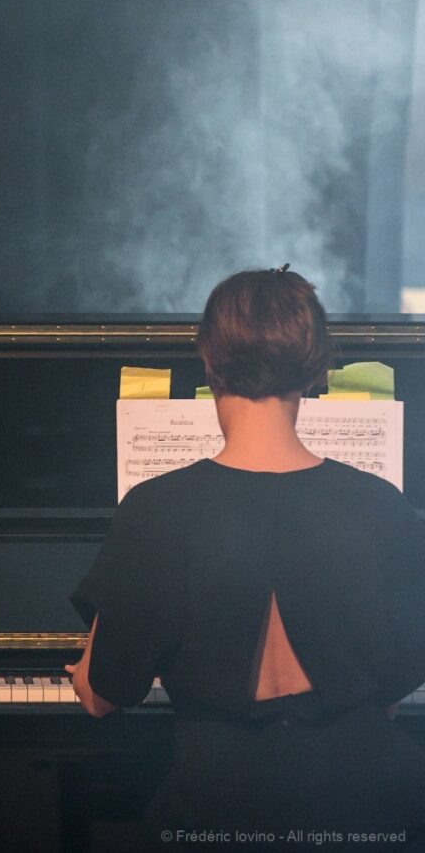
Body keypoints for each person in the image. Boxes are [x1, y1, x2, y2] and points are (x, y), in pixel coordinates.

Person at [68, 268, 425, 849]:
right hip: (374, 812)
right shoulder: (382, 506)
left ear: (209, 364)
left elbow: (105, 692)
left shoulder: (156, 509)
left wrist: (89, 668)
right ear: (314, 372)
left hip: (215, 812)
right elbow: (399, 681)